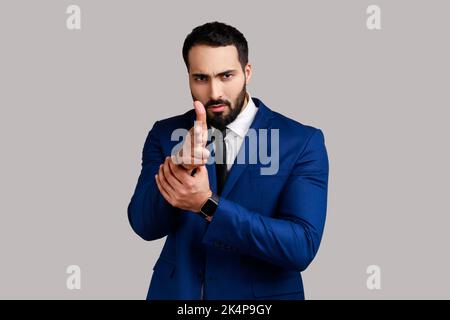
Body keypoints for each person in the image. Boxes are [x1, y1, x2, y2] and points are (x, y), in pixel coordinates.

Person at [127, 21, 329, 300]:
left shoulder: (301, 141)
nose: (214, 93)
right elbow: (143, 225)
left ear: (247, 72)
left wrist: (207, 205)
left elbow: (301, 246)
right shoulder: (165, 134)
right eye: (201, 78)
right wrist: (178, 167)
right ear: (188, 76)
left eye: (226, 76)